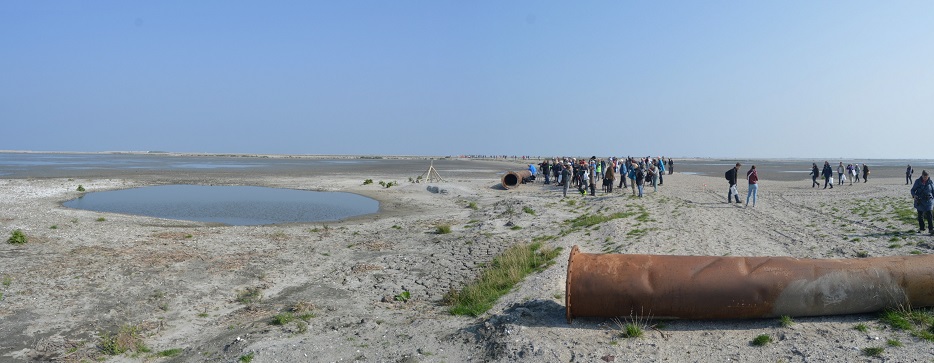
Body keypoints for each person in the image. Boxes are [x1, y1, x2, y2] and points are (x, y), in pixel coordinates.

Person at [910, 170, 934, 235]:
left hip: (929, 200)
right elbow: (912, 190)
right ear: (922, 176)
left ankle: (931, 229)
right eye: (924, 177)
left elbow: (933, 191)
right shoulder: (917, 181)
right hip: (920, 201)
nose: (925, 178)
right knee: (920, 215)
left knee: (929, 214)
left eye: (926, 177)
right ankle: (922, 228)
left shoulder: (930, 182)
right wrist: (914, 195)